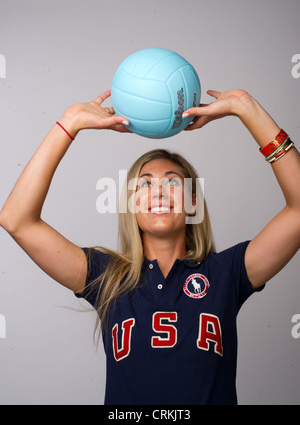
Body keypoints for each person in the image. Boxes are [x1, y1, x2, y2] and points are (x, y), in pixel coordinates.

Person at [0, 88, 299, 405]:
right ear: (131, 204)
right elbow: (16, 220)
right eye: (144, 185)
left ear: (192, 203)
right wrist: (69, 123)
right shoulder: (107, 278)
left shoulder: (227, 273)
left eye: (172, 183)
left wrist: (246, 108)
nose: (158, 193)